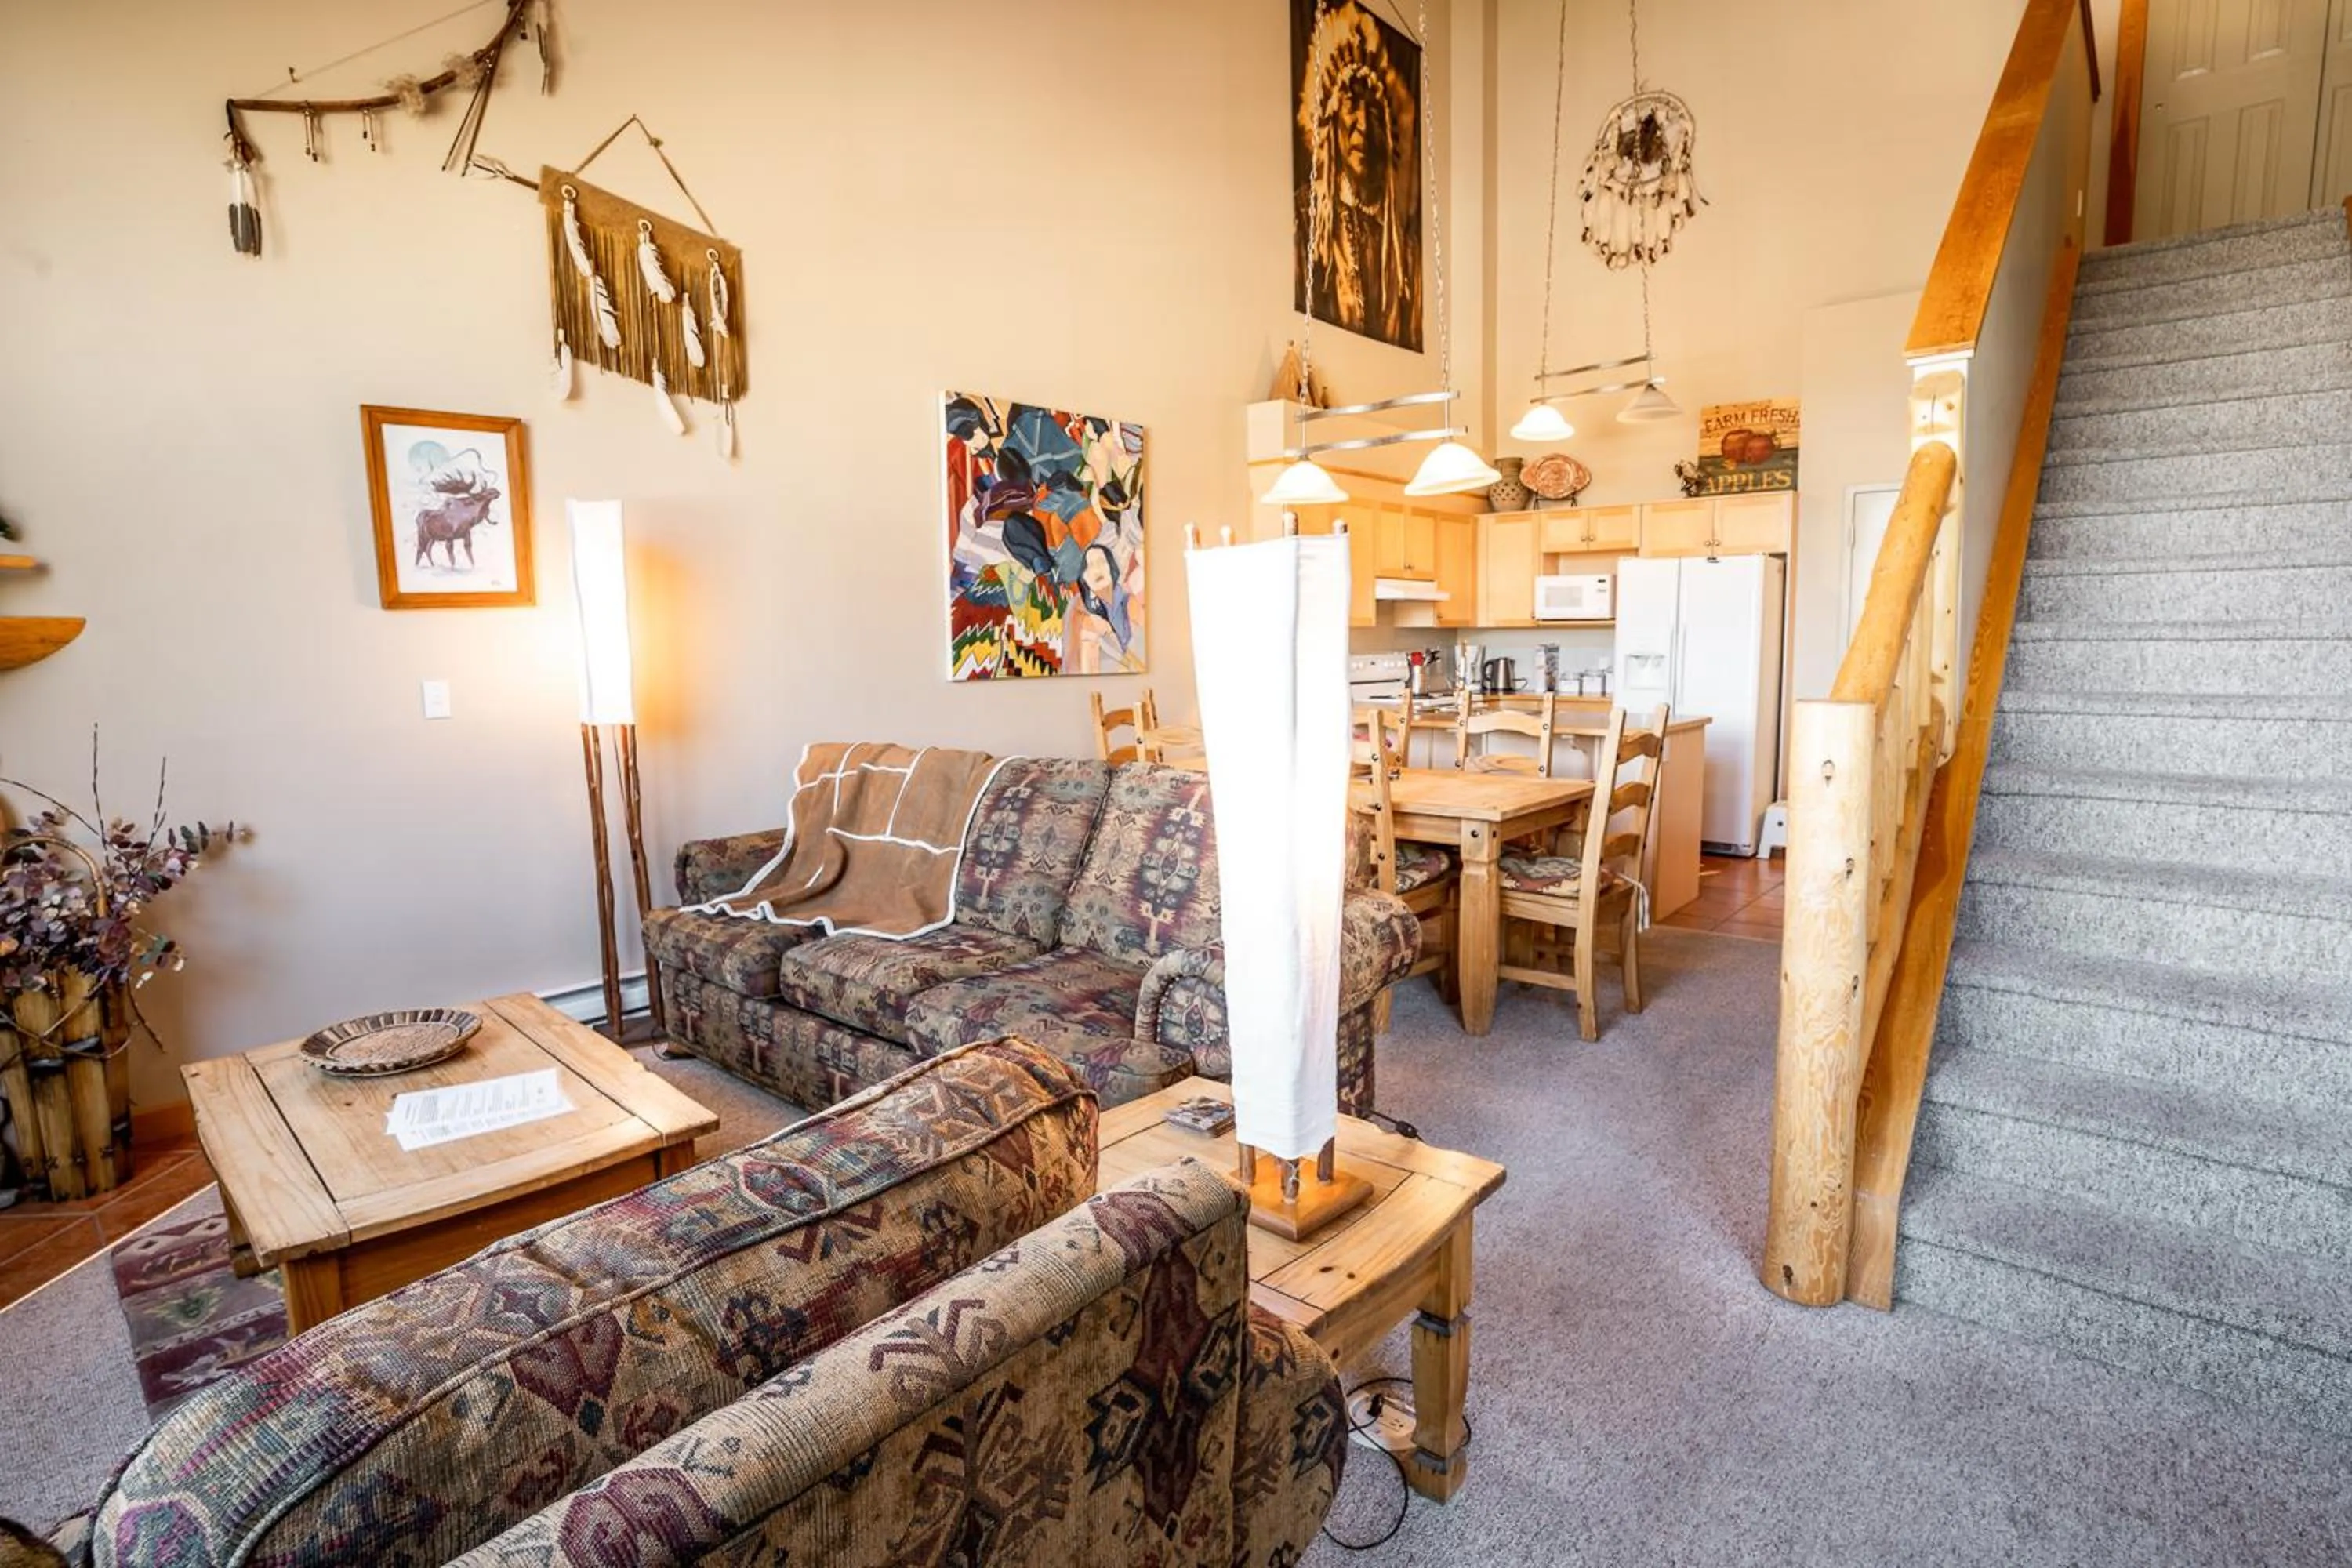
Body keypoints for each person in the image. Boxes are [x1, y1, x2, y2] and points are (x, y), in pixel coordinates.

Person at [1296, 2, 1421, 350]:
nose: (1363, 126)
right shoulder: (1307, 221)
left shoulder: (1406, 259)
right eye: (1352, 103)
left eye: (1375, 113)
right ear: (1331, 116)